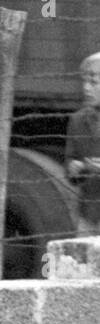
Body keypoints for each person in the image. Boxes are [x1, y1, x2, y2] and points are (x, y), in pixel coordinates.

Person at [65, 51, 100, 235]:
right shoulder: (77, 120)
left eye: (93, 82)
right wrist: (74, 168)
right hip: (88, 216)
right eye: (84, 82)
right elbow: (70, 162)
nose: (86, 88)